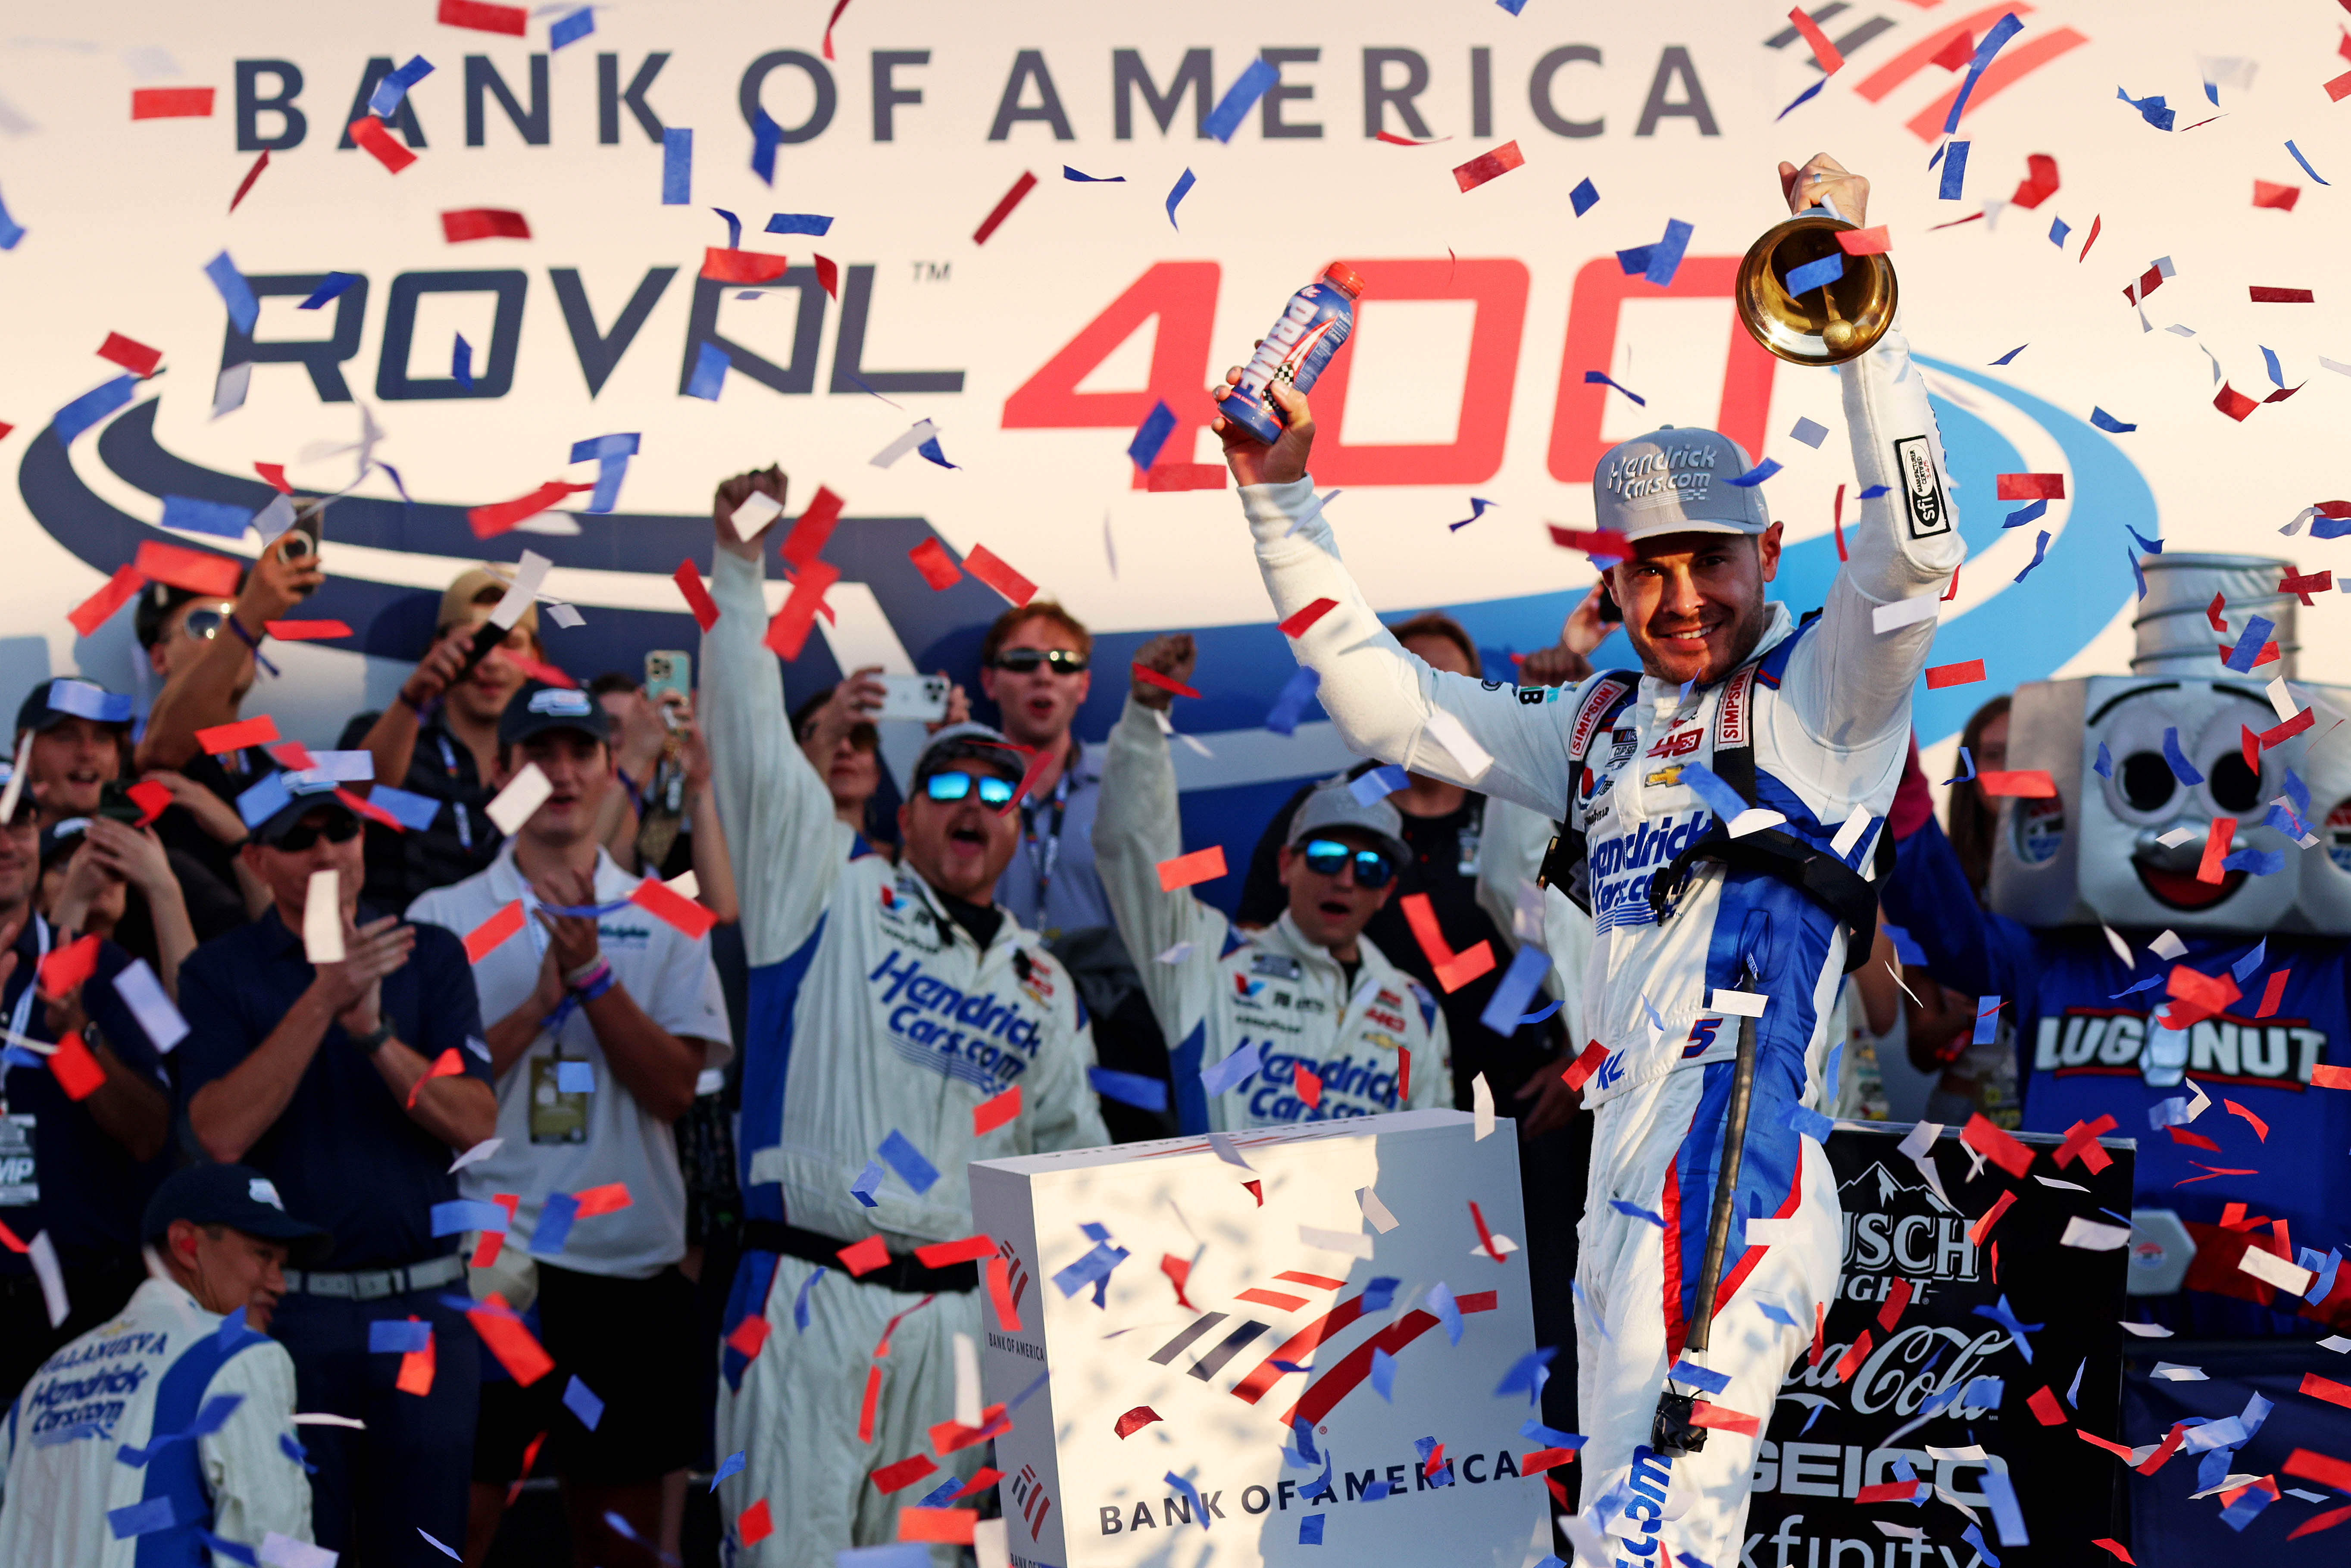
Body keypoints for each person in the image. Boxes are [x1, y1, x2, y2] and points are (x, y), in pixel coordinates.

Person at [1213, 153, 1960, 1562]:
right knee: (1619, 1533)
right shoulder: (1594, 726)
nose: (1682, 595)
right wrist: (1277, 500)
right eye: (1648, 568)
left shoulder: (1828, 697)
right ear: (1608, 582)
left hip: (1728, 1163)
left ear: (1768, 551)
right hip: (1622, 1175)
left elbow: (1916, 553)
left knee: (1651, 1536)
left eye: (1710, 559)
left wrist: (1866, 319)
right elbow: (1385, 704)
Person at [698, 465, 1107, 1567]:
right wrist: (743, 572)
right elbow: (745, 737)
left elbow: (1075, 1173)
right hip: (809, 1295)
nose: (976, 806)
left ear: (1020, 831)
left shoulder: (1043, 982)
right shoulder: (825, 890)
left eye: (999, 795)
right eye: (950, 790)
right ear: (906, 815)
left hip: (957, 1331)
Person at [406, 684, 732, 1568]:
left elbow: (677, 1088)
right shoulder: (443, 916)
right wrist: (539, 1005)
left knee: (618, 1541)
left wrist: (592, 979)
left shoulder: (668, 913)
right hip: (488, 1269)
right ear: (503, 772)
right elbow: (424, 1099)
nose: (561, 771)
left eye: (581, 752)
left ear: (609, 770)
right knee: (452, 1531)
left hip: (625, 1274)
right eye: (539, 753)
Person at [176, 765, 499, 1565]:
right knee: (294, 1550)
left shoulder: (429, 955)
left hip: (424, 1303)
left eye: (339, 830)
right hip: (289, 1315)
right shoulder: (217, 972)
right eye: (296, 838)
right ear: (256, 861)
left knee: (425, 1551)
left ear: (364, 838)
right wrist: (322, 999)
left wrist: (374, 1033)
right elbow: (218, 1133)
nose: (324, 851)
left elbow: (475, 1125)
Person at [1097, 632, 1451, 1128]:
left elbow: (1436, 1159)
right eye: (1327, 856)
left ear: (1386, 891)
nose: (1347, 879)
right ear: (1286, 864)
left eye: (1370, 867)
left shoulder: (1415, 1008)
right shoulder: (1208, 959)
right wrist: (1144, 716)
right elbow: (1136, 850)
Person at [0, 1162, 329, 1566]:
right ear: (185, 1244)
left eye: (282, 1264)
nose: (279, 1284)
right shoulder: (241, 1357)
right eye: (263, 1256)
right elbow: (275, 1543)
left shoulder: (47, 1379)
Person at [0, 776, 173, 1407]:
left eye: (20, 823)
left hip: (82, 1308)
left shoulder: (113, 969)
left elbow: (151, 1133)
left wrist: (75, 1044)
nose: (6, 843)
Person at [977, 605, 1173, 1140]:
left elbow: (1165, 914)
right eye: (1023, 660)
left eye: (1063, 663)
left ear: (1083, 686)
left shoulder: (1121, 791)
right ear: (989, 681)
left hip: (1107, 1027)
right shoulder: (961, 797)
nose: (1044, 674)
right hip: (990, 1021)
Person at [129, 532, 326, 917]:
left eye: (233, 620)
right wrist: (248, 615)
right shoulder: (138, 753)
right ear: (159, 658)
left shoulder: (278, 775)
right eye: (206, 625)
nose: (230, 636)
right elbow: (165, 749)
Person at [344, 566, 543, 909]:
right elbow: (348, 802)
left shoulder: (546, 766)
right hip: (400, 952)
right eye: (478, 643)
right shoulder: (376, 731)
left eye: (510, 644)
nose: (492, 661)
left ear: (534, 660)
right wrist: (412, 701)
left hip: (507, 957)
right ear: (439, 648)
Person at [14, 680, 250, 943]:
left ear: (118, 761)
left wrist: (236, 836)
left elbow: (266, 954)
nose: (87, 753)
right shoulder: (9, 866)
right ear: (23, 753)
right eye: (65, 736)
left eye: (103, 737)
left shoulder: (165, 868)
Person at [1892, 695, 2023, 1127]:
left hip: (2056, 1118)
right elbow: (1921, 1050)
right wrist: (1970, 1012)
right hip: (1964, 1114)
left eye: (2022, 750)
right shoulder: (1940, 882)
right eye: (1992, 755)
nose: (2007, 768)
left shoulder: (2080, 877)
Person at [585, 673, 741, 924]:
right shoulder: (556, 818)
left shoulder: (659, 830)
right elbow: (577, 875)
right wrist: (633, 756)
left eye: (640, 728)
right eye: (610, 727)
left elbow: (721, 910)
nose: (632, 739)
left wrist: (698, 781)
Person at [38, 815, 198, 997]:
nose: (92, 868)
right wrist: (75, 900)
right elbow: (45, 1012)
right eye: (67, 863)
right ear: (38, 896)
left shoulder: (138, 967)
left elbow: (193, 1013)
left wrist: (163, 889)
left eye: (109, 858)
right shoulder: (15, 961)